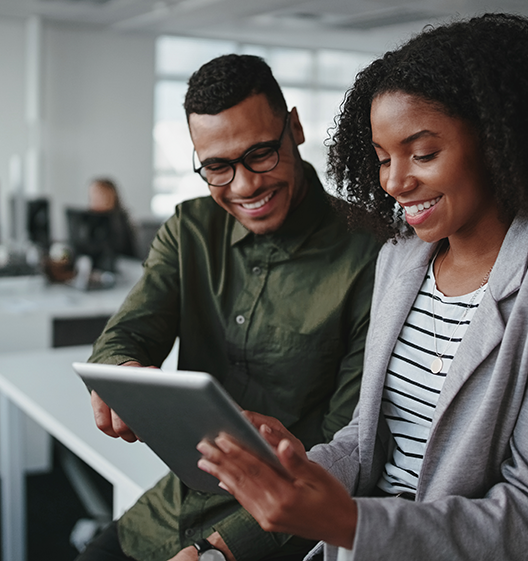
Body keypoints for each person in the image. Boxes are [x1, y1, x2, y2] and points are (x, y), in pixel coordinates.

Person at [196, 14, 528, 561]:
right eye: (382, 159)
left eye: (423, 154)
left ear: (498, 141)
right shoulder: (400, 260)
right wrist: (293, 467)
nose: (394, 182)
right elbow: (365, 440)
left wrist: (351, 520)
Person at [78, 54, 380, 561]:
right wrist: (119, 374)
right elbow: (121, 338)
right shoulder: (190, 228)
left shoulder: (372, 253)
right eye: (217, 167)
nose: (245, 186)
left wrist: (221, 552)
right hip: (177, 505)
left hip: (283, 529)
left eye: (261, 154)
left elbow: (349, 447)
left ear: (296, 128)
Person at [88, 178, 138, 259]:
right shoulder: (90, 220)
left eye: (98, 195)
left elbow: (112, 251)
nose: (93, 201)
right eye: (92, 197)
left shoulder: (119, 220)